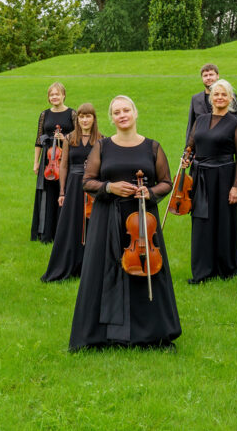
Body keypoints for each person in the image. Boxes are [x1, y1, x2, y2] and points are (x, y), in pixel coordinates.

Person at [69, 96, 181, 350]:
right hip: (107, 216)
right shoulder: (103, 146)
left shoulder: (152, 147)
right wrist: (110, 186)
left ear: (135, 113)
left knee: (146, 271)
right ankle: (103, 335)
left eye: (126, 110)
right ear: (112, 118)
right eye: (116, 112)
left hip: (143, 222)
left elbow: (166, 182)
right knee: (104, 270)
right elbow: (87, 181)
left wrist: (149, 193)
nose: (122, 115)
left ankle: (149, 333)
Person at [183, 79, 237, 283]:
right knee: (201, 223)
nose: (219, 98)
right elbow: (191, 145)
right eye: (216, 94)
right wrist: (187, 156)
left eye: (224, 94)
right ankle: (202, 270)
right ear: (211, 98)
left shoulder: (236, 123)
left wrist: (236, 186)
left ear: (230, 99)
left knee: (224, 222)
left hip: (224, 176)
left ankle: (226, 269)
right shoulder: (200, 119)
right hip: (200, 176)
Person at [42, 102, 102, 282]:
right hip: (74, 186)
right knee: (72, 226)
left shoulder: (101, 139)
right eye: (82, 116)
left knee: (92, 226)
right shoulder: (69, 138)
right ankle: (70, 264)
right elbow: (64, 165)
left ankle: (89, 267)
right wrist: (62, 192)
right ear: (78, 119)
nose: (85, 120)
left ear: (93, 118)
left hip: (92, 186)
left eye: (88, 116)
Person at [31, 82, 76, 243]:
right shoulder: (44, 115)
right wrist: (36, 162)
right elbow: (38, 139)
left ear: (64, 95)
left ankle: (62, 233)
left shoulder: (72, 114)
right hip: (48, 159)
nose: (54, 97)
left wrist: (65, 139)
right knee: (47, 194)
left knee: (63, 192)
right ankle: (45, 233)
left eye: (57, 94)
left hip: (65, 158)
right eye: (51, 95)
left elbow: (78, 138)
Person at [186, 64, 237, 140]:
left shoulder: (228, 97)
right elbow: (191, 124)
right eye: (205, 76)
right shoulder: (195, 99)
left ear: (218, 76)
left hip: (221, 141)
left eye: (211, 75)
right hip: (200, 143)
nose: (208, 78)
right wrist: (188, 147)